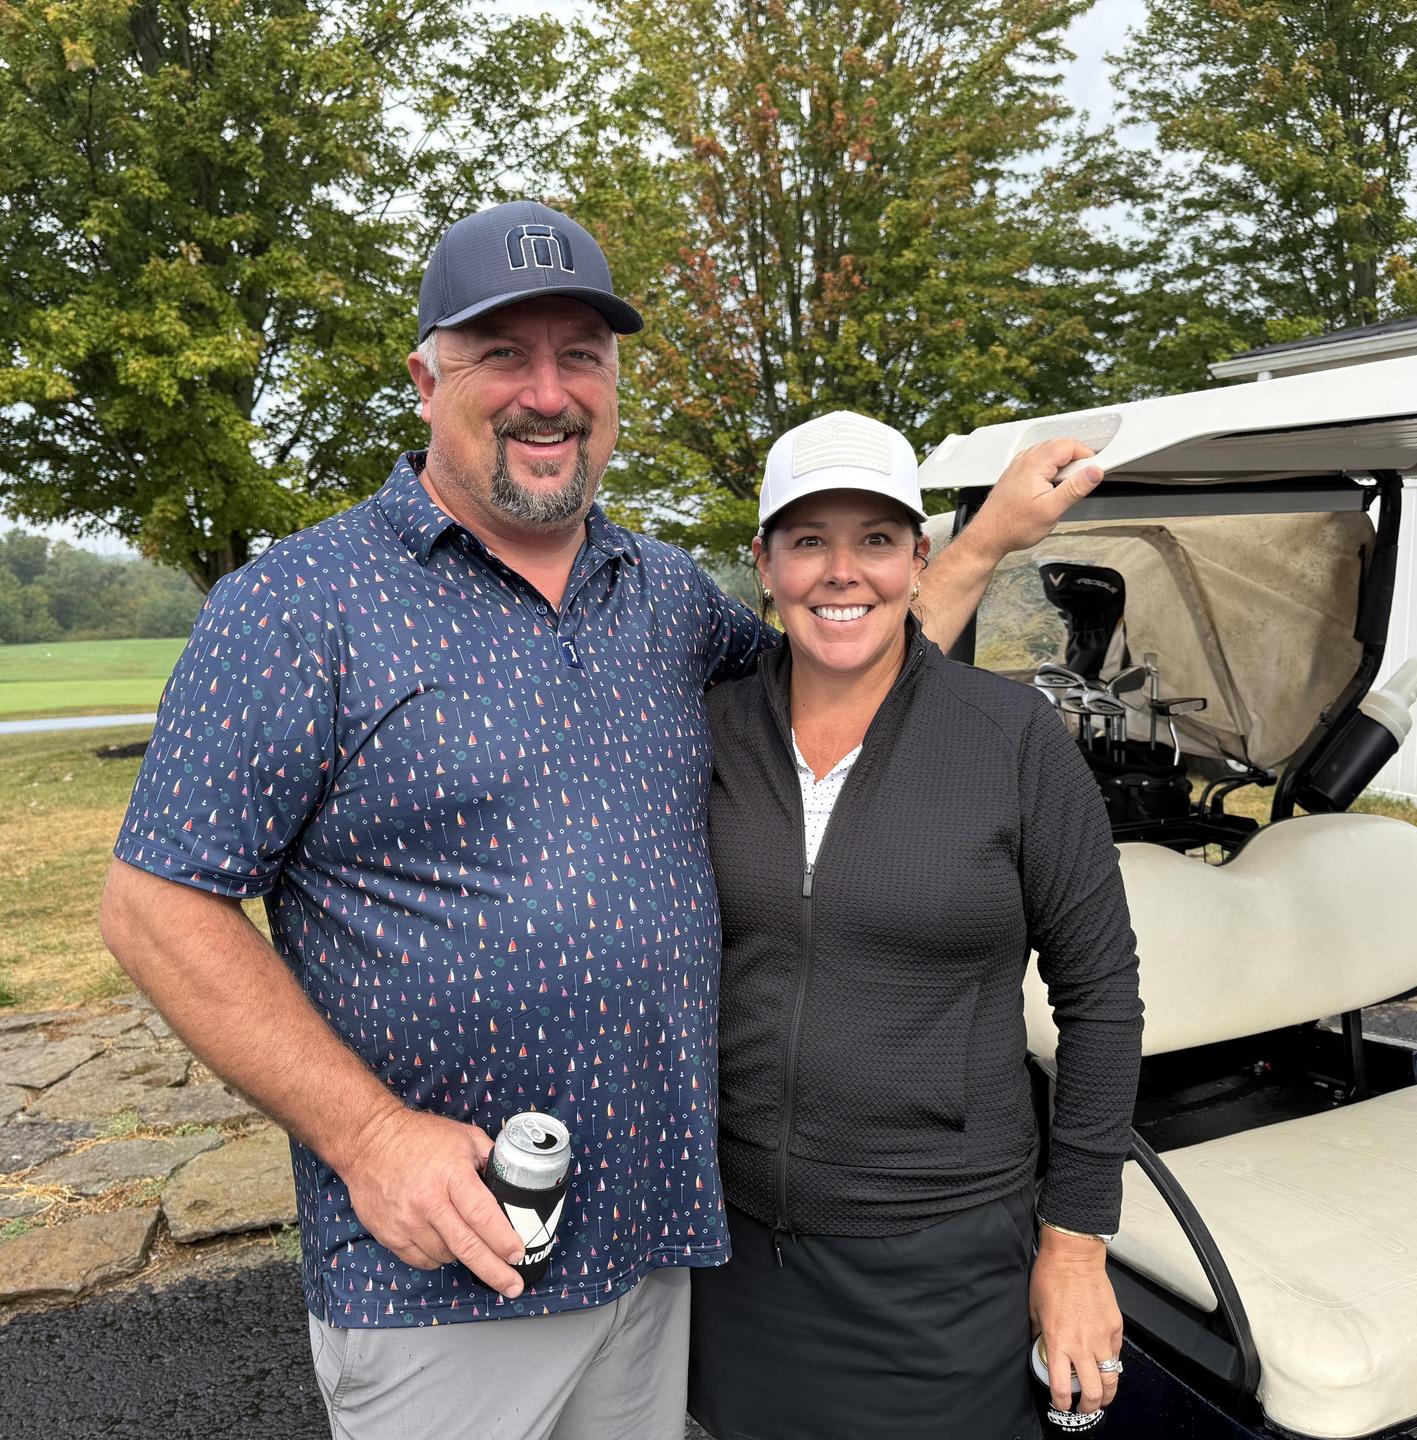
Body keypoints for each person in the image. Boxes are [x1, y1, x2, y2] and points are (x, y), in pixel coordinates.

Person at [97, 200, 1106, 1440]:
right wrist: (369, 1138)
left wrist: (984, 540)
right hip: (445, 1276)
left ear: (614, 379)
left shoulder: (665, 595)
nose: (546, 391)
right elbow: (154, 904)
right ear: (426, 380)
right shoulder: (301, 605)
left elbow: (854, 653)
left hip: (666, 1253)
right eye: (502, 354)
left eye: (580, 353)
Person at [690, 411, 1143, 1440]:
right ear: (764, 564)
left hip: (940, 1260)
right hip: (738, 1250)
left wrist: (1075, 1250)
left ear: (918, 559)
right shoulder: (709, 731)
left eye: (877, 540)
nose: (841, 572)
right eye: (808, 541)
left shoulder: (1010, 738)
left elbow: (1103, 1003)